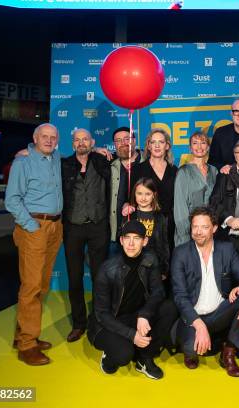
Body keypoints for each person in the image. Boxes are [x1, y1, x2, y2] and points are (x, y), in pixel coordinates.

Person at [170, 207, 239, 377]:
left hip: (219, 313)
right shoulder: (181, 253)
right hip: (193, 317)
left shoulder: (226, 249)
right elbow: (180, 297)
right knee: (192, 350)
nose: (198, 232)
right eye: (195, 227)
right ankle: (204, 339)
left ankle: (229, 352)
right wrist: (199, 324)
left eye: (204, 227)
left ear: (215, 228)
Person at [87, 220, 178, 380]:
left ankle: (144, 358)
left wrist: (144, 313)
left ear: (145, 241)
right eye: (127, 238)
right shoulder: (107, 270)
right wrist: (132, 335)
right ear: (121, 241)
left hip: (135, 315)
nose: (131, 243)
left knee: (169, 307)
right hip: (108, 323)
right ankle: (109, 357)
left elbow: (158, 291)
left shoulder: (150, 259)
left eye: (136, 238)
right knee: (123, 355)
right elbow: (102, 314)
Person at [5, 123, 63, 365]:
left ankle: (23, 336)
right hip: (34, 227)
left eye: (53, 137)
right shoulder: (23, 162)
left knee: (41, 284)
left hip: (54, 227)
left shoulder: (56, 157)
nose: (49, 141)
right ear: (35, 138)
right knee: (30, 286)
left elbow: (81, 152)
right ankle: (27, 345)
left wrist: (99, 149)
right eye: (44, 137)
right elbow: (12, 199)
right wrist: (30, 226)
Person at [61, 128, 111, 343]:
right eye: (77, 140)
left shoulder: (102, 161)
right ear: (73, 144)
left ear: (92, 142)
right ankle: (79, 323)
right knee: (74, 278)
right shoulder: (63, 165)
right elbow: (41, 156)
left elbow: (130, 155)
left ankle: (100, 321)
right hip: (73, 227)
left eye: (85, 139)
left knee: (100, 277)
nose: (81, 143)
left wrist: (104, 151)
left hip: (98, 226)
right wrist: (25, 152)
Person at [131, 128, 177, 255]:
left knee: (167, 264)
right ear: (148, 146)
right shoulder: (138, 169)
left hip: (168, 227)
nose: (157, 146)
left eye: (161, 142)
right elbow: (129, 197)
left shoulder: (174, 170)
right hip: (145, 224)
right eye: (153, 142)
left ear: (167, 146)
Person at [173, 131, 218, 246]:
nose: (199, 147)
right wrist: (189, 232)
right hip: (189, 234)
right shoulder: (183, 171)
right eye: (195, 143)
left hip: (209, 231)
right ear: (190, 148)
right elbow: (180, 206)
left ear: (208, 147)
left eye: (203, 143)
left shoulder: (214, 171)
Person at [127, 178, 170, 285]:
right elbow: (122, 241)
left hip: (153, 267)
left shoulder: (160, 218)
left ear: (154, 195)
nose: (143, 198)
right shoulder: (129, 216)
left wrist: (164, 269)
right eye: (139, 193)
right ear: (134, 194)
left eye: (148, 194)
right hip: (132, 266)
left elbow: (164, 245)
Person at [109, 127, 144, 250]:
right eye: (118, 140)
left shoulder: (148, 163)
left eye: (126, 139)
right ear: (114, 144)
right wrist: (95, 149)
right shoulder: (108, 163)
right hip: (115, 234)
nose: (123, 143)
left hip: (142, 233)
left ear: (134, 141)